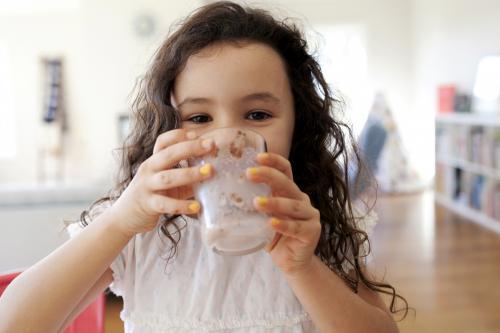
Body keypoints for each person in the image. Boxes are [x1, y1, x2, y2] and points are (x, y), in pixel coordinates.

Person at [0, 1, 408, 332]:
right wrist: (122, 219)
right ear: (168, 127)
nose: (227, 140)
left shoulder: (312, 221)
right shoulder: (140, 229)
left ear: (298, 122)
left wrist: (303, 267)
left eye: (257, 114)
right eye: (199, 119)